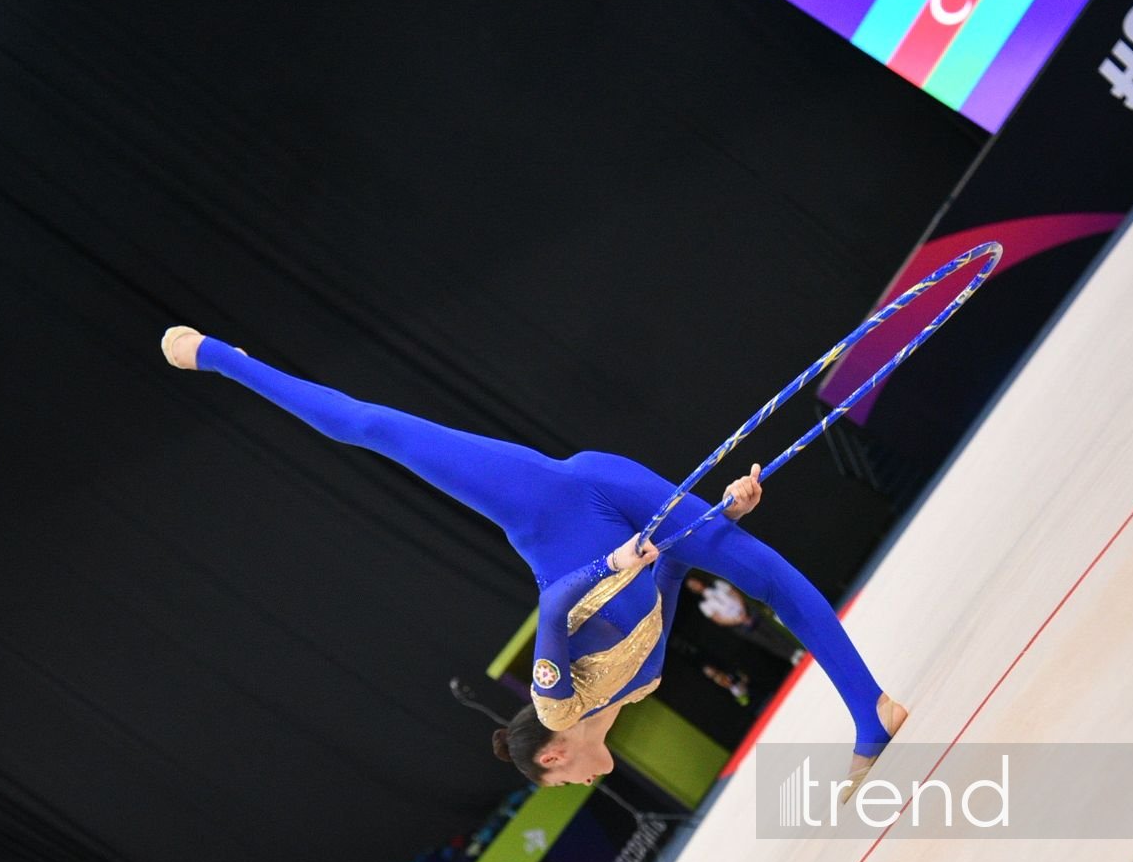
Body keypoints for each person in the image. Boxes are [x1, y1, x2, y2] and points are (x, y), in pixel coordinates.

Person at [161, 327, 907, 792]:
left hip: (547, 503)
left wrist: (615, 564)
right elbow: (668, 583)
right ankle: (872, 710)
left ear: (552, 757)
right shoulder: (639, 690)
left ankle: (225, 360)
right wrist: (721, 515)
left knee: (376, 429)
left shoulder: (558, 703)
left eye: (558, 784)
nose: (577, 784)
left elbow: (556, 609)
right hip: (636, 521)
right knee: (760, 568)